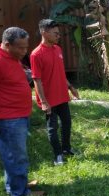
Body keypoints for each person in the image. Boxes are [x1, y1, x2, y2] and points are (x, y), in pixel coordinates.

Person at [0, 27, 44, 196]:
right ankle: (20, 194)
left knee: (12, 155)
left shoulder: (11, 57)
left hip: (17, 116)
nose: (24, 51)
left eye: (26, 47)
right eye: (20, 48)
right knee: (17, 157)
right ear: (7, 45)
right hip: (7, 120)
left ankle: (14, 185)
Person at [31, 19, 79, 166]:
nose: (59, 36)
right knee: (53, 128)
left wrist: (70, 87)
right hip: (49, 100)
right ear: (44, 33)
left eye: (58, 33)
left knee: (67, 124)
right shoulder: (36, 54)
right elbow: (37, 80)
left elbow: (60, 72)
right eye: (55, 33)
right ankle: (57, 155)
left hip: (62, 96)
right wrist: (44, 102)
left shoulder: (58, 49)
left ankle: (66, 149)